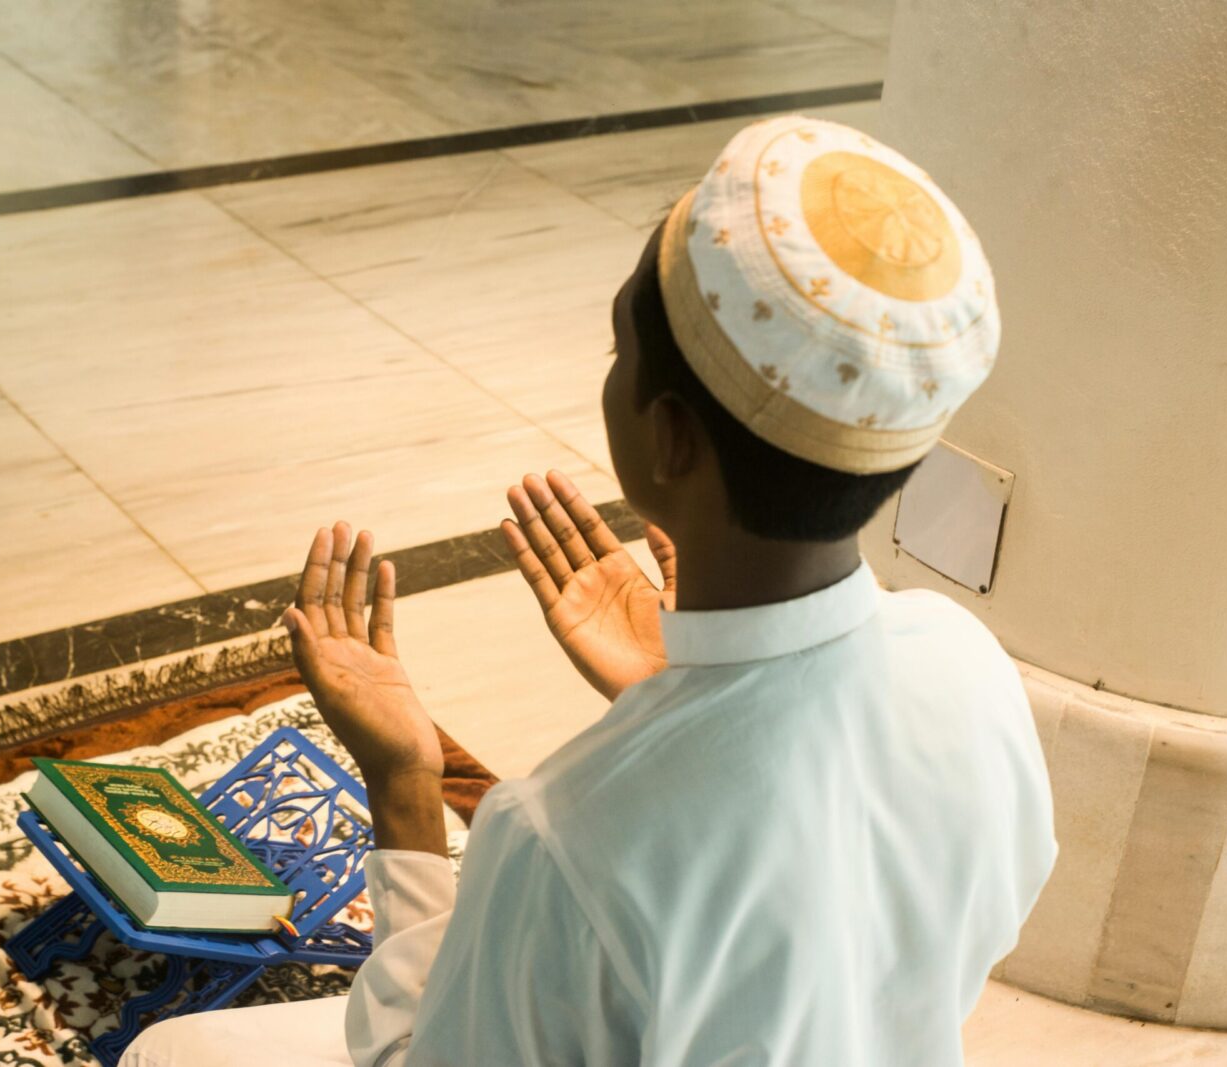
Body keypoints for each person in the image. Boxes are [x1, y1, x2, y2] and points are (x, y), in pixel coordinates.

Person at [122, 115, 1057, 1066]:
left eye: (619, 348)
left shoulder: (567, 838)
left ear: (669, 436)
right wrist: (671, 695)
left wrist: (405, 782)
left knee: (172, 1053)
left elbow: (419, 1053)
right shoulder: (967, 667)